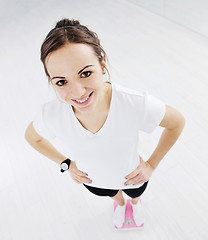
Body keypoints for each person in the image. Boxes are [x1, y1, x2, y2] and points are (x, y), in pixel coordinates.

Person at [25, 18, 185, 228]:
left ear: (102, 66)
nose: (78, 92)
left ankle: (135, 203)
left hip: (133, 175)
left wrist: (151, 164)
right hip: (94, 181)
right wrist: (66, 164)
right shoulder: (52, 114)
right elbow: (32, 138)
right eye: (62, 82)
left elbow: (177, 122)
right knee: (111, 194)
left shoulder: (135, 103)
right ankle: (119, 205)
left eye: (85, 73)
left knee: (134, 193)